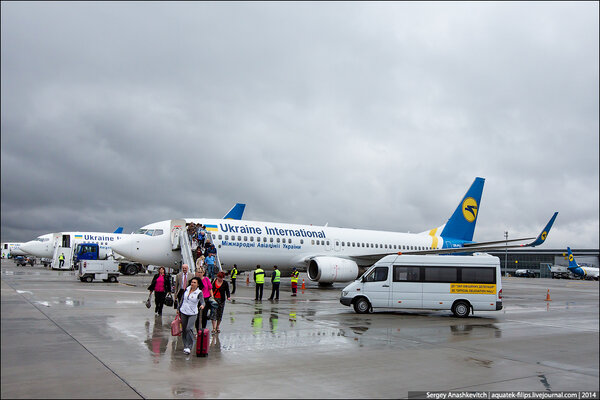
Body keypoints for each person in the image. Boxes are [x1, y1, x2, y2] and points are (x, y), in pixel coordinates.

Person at [177, 277, 204, 355]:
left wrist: (202, 305)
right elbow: (182, 299)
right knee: (184, 329)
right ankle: (185, 346)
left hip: (192, 313)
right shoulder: (187, 289)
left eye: (194, 282)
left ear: (198, 284)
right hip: (183, 311)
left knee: (189, 328)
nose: (192, 284)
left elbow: (202, 301)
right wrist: (178, 308)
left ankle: (190, 346)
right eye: (192, 282)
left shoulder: (199, 292)